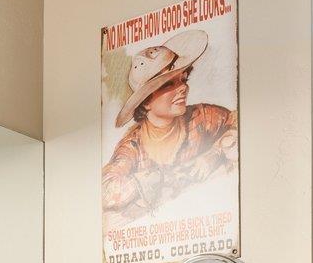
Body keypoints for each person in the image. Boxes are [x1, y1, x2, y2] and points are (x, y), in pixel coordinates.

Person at [101, 29, 238, 221]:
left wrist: (217, 151)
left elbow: (238, 121)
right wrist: (152, 179)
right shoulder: (133, 146)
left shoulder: (202, 117)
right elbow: (106, 189)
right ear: (145, 102)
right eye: (167, 85)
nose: (183, 87)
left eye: (183, 79)